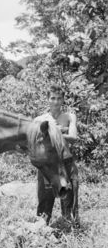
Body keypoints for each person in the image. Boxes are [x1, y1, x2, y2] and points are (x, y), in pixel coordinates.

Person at [37, 84, 80, 226]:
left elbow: (73, 137)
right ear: (48, 99)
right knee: (44, 203)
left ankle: (70, 229)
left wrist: (53, 131)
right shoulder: (40, 119)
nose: (56, 102)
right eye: (53, 98)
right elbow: (34, 141)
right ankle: (42, 231)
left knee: (69, 202)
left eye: (59, 98)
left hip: (66, 162)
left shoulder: (70, 116)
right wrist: (59, 131)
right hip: (47, 165)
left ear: (63, 100)